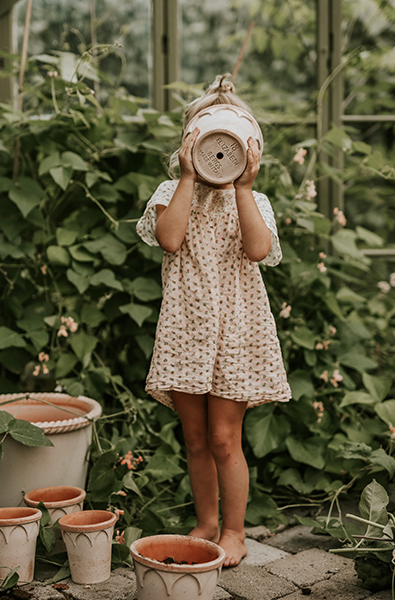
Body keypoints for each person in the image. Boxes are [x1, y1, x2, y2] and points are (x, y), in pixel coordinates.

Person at [135, 74, 291, 567]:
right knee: (196, 438)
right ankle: (206, 522)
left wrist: (244, 186)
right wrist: (186, 177)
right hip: (185, 330)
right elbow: (169, 239)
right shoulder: (170, 191)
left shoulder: (254, 201)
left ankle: (235, 531)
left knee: (225, 438)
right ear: (188, 143)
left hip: (235, 334)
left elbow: (258, 249)